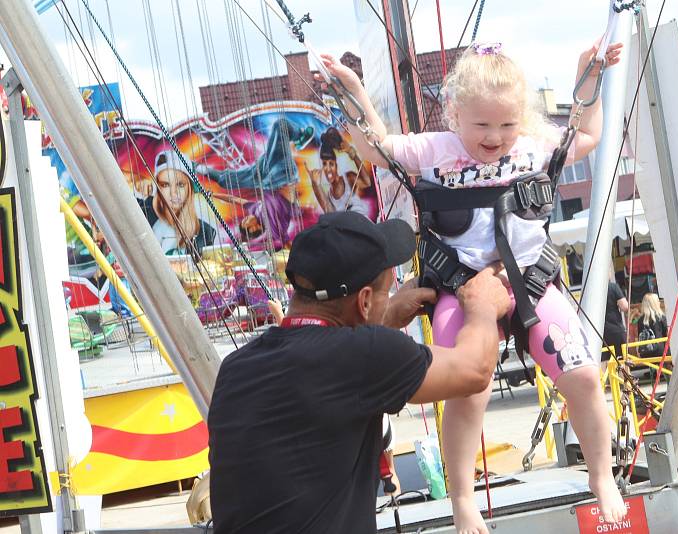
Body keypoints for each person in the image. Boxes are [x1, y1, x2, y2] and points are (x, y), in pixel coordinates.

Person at [320, 39, 627, 531]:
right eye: (482, 125)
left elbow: (586, 132)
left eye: (506, 124)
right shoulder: (434, 150)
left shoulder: (531, 146)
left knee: (585, 378)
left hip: (530, 283)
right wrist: (352, 89)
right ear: (455, 114)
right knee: (465, 390)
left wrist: (587, 74)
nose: (495, 137)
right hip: (462, 292)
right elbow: (374, 148)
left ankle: (601, 476)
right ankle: (463, 498)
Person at [207, 211, 511, 533]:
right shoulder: (363, 356)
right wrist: (483, 306)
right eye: (384, 292)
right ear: (364, 301)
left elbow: (332, 370)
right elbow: (475, 370)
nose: (388, 299)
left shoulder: (237, 367)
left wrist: (385, 315)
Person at [152, 150, 216, 256]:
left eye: (180, 185)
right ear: (158, 189)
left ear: (190, 188)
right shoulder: (148, 223)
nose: (173, 193)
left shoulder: (205, 232)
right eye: (165, 185)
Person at [306, 127, 374, 218]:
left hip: (362, 224)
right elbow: (328, 211)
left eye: (331, 164)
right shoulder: (329, 196)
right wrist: (316, 185)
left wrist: (353, 155)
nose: (328, 169)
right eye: (324, 164)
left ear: (336, 165)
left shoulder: (348, 178)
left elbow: (367, 182)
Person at [603, 276, 630, 363]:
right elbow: (625, 307)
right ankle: (624, 376)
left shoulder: (590, 290)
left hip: (599, 332)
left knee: (605, 361)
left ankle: (608, 377)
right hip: (615, 329)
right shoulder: (612, 287)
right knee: (622, 359)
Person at [637, 293, 667, 358]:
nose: (659, 302)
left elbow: (639, 336)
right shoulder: (660, 317)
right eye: (658, 301)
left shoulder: (640, 321)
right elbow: (666, 334)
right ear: (655, 303)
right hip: (660, 353)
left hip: (645, 353)